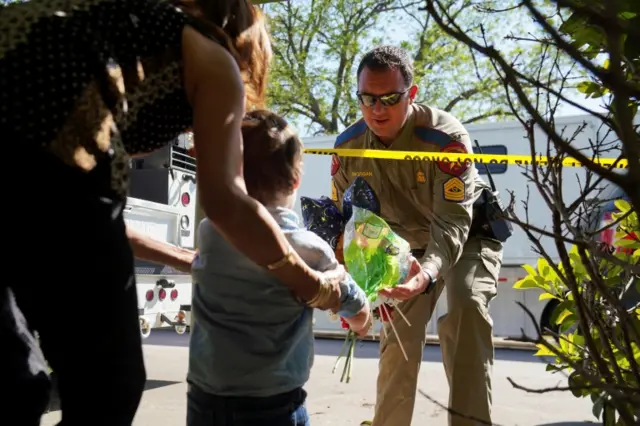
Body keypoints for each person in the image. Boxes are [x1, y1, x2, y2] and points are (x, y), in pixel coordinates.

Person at [0, 1, 345, 425]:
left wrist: (182, 258)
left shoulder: (123, 32)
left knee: (10, 374)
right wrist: (310, 283)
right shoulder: (213, 57)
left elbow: (91, 223)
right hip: (44, 139)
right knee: (107, 384)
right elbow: (226, 203)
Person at [330, 45, 505, 426]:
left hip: (465, 239)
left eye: (390, 98)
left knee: (466, 310)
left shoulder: (445, 139)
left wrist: (424, 275)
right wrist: (356, 287)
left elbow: (452, 224)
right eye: (367, 98)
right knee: (397, 342)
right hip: (403, 250)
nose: (377, 109)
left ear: (411, 94)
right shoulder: (346, 147)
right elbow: (351, 226)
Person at [187, 109, 372, 426]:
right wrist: (361, 320)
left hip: (206, 401)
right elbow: (358, 313)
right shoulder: (310, 249)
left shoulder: (211, 233)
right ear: (296, 180)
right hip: (275, 406)